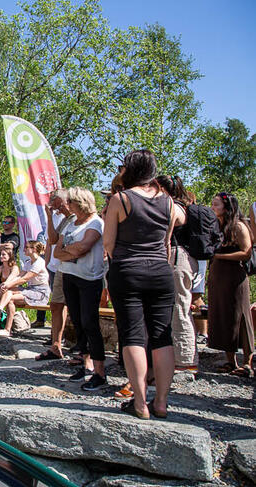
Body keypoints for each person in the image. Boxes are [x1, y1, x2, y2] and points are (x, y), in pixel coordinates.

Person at [103, 149, 176, 420]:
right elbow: (167, 240)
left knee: (133, 334)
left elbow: (108, 242)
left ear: (130, 170)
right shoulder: (168, 201)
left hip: (128, 268)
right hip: (160, 270)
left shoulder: (121, 199)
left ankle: (141, 402)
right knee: (162, 335)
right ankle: (162, 402)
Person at [54, 187, 107, 391]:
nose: (68, 206)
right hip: (69, 275)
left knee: (89, 322)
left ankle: (100, 371)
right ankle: (85, 363)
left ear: (81, 202)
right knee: (77, 321)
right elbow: (57, 251)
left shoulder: (96, 223)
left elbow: (84, 247)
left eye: (71, 203)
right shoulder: (71, 223)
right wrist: (71, 252)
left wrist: (71, 252)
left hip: (89, 278)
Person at [208, 192, 254, 377]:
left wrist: (219, 256)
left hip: (235, 275)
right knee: (223, 315)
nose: (213, 207)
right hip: (218, 276)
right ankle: (230, 361)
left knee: (240, 315)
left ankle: (248, 362)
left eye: (216, 204)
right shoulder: (217, 226)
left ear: (227, 207)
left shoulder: (239, 226)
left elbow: (246, 253)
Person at [156, 175, 198, 373]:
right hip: (177, 258)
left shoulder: (175, 207)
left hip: (177, 258)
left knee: (180, 307)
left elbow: (166, 236)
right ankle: (176, 356)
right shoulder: (179, 205)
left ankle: (186, 359)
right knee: (173, 308)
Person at [35, 189, 75, 361]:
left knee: (76, 308)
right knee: (56, 305)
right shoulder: (65, 220)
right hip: (60, 268)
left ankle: (81, 350)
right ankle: (56, 344)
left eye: (57, 201)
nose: (54, 204)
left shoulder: (79, 219)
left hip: (75, 269)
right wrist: (49, 216)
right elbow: (52, 240)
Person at [0, 241, 50, 337]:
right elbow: (19, 276)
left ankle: (0, 315)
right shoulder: (28, 262)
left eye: (27, 247)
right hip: (30, 289)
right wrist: (8, 284)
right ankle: (4, 324)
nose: (24, 249)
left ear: (34, 250)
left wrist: (8, 284)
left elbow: (24, 279)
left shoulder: (39, 263)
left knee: (10, 296)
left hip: (40, 292)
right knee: (10, 297)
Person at [0, 243, 20, 333]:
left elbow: (8, 282)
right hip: (1, 291)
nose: (1, 256)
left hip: (13, 291)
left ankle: (6, 328)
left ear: (10, 256)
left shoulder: (14, 268)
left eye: (3, 255)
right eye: (0, 255)